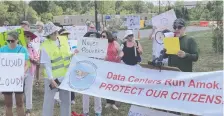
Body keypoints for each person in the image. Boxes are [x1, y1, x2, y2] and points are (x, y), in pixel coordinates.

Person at [40, 22, 72, 116]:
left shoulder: (64, 39)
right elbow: (47, 64)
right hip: (52, 78)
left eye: (55, 32)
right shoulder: (45, 46)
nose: (54, 34)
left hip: (65, 76)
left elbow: (68, 54)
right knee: (48, 102)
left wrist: (74, 53)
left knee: (66, 102)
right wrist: (51, 79)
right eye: (52, 33)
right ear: (48, 35)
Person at [0, 31, 29, 116]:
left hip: (18, 79)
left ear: (17, 40)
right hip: (7, 79)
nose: (10, 43)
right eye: (8, 41)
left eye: (12, 41)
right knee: (8, 104)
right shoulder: (2, 49)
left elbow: (27, 64)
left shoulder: (22, 49)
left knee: (19, 103)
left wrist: (23, 71)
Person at [102, 31, 123, 110]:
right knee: (107, 84)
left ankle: (113, 102)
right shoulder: (101, 44)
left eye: (104, 36)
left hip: (115, 66)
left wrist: (119, 56)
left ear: (108, 36)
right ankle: (108, 102)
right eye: (101, 36)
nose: (102, 38)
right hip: (106, 66)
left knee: (113, 84)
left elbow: (121, 52)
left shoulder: (115, 43)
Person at [82, 31, 102, 116]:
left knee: (97, 92)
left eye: (94, 38)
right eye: (90, 38)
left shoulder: (99, 49)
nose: (92, 40)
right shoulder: (84, 49)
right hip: (86, 72)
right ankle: (85, 111)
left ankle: (98, 111)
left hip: (97, 72)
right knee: (85, 93)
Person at [23, 31, 39, 116]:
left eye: (28, 37)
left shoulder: (33, 48)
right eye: (25, 36)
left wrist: (31, 59)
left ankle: (28, 109)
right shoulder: (18, 47)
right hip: (19, 71)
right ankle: (16, 106)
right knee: (17, 90)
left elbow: (37, 60)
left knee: (28, 90)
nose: (27, 38)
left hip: (30, 71)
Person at [34, 21, 45, 87]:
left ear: (42, 27)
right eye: (37, 26)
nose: (37, 27)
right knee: (37, 66)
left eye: (39, 26)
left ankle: (47, 80)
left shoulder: (45, 33)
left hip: (44, 51)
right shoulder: (35, 33)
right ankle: (37, 81)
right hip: (37, 51)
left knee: (46, 66)